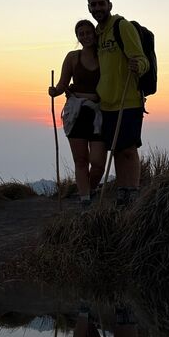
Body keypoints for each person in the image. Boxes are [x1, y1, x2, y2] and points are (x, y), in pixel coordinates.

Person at [87, 0, 149, 207]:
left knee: (129, 150)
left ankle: (131, 195)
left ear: (109, 5)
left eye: (101, 3)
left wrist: (138, 65)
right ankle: (123, 194)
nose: (97, 8)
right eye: (93, 5)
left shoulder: (122, 27)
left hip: (128, 100)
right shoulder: (98, 34)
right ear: (89, 8)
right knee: (117, 149)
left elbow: (142, 59)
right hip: (107, 104)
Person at [48, 19, 107, 210]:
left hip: (98, 114)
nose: (85, 36)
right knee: (80, 160)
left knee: (97, 163)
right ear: (77, 37)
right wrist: (55, 91)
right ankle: (85, 200)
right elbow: (63, 84)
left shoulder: (104, 57)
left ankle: (90, 190)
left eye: (88, 32)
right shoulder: (73, 57)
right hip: (77, 113)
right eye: (81, 34)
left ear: (94, 34)